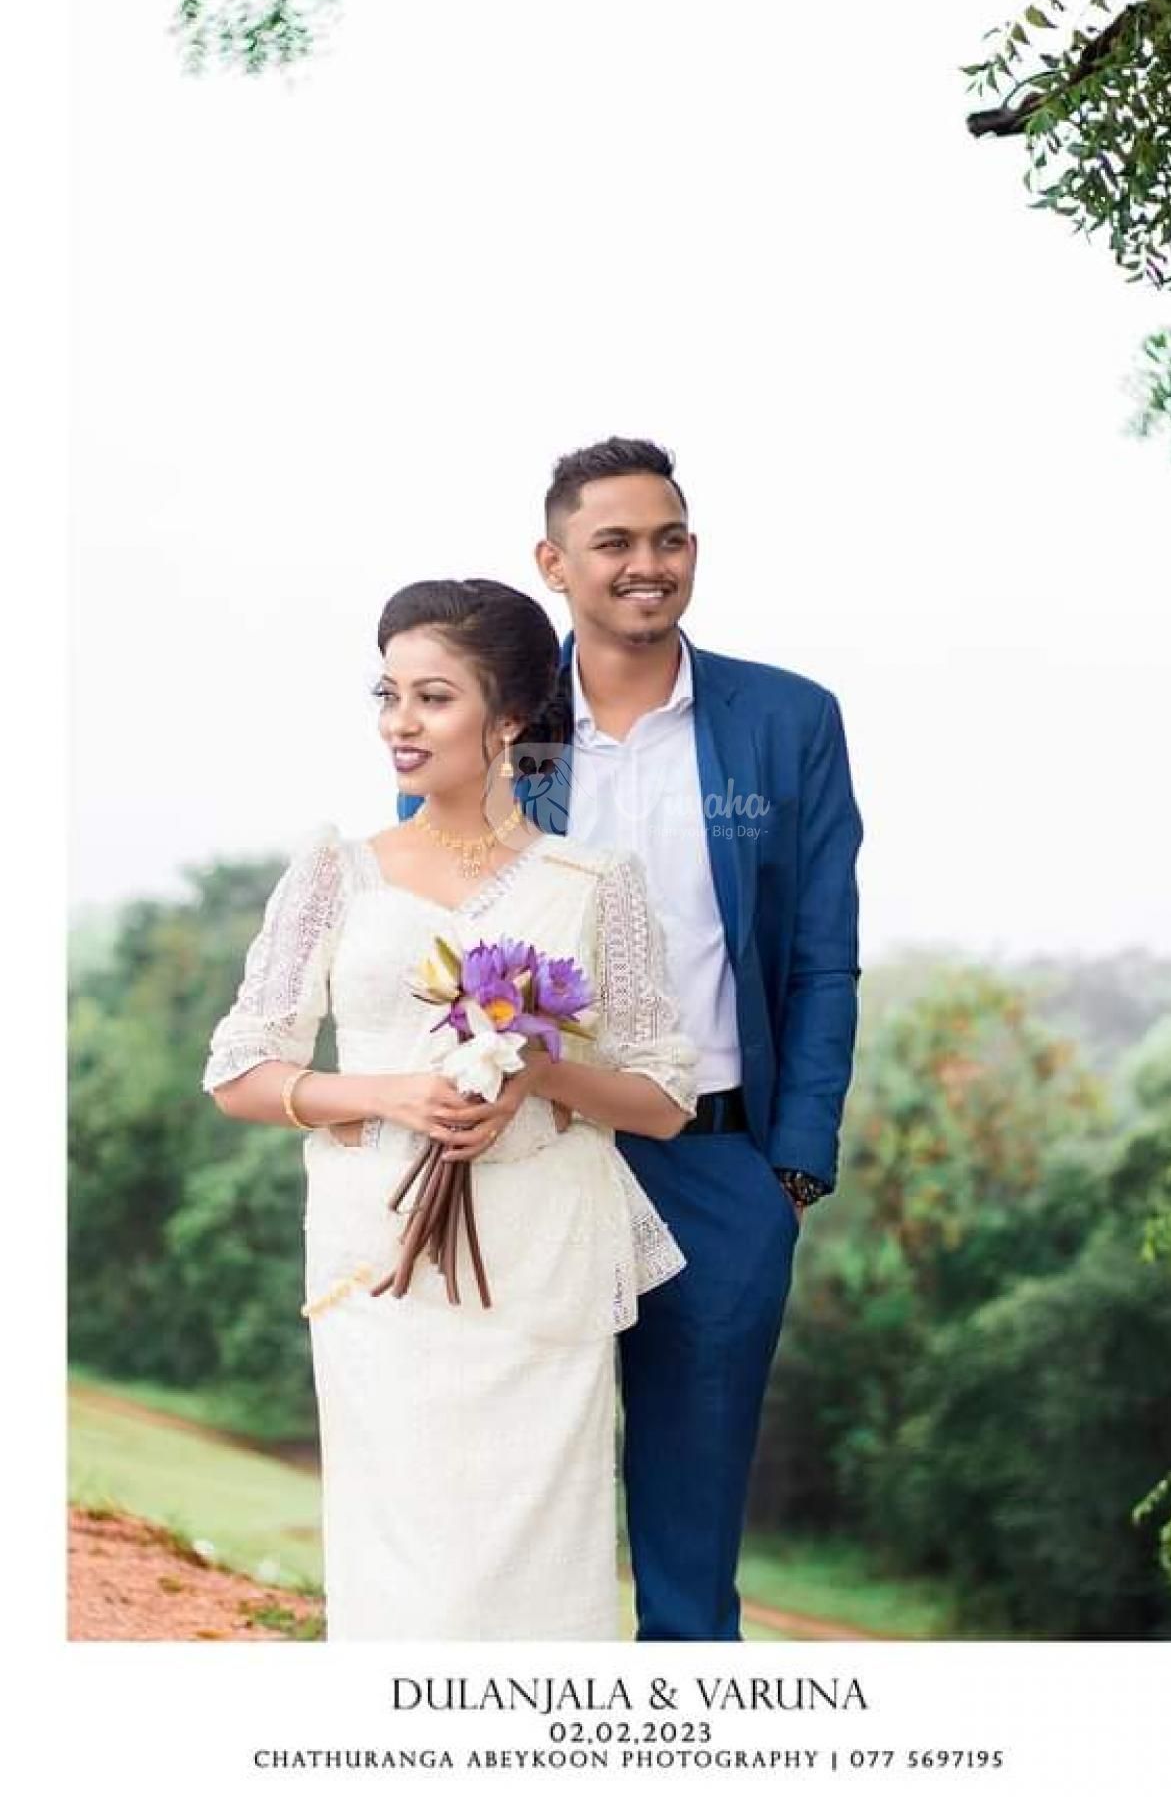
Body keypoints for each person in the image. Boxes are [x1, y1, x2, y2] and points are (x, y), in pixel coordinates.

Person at [402, 438, 863, 1640]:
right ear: (554, 562)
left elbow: (821, 955)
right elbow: (427, 926)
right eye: (613, 541)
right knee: (509, 1491)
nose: (646, 563)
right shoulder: (499, 723)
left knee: (692, 1540)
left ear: (692, 551)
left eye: (668, 538)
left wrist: (791, 1165)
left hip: (718, 1161)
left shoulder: (789, 721)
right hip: (528, 1151)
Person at [202, 578, 696, 1640]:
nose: (400, 722)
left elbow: (662, 1099)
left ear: (508, 718)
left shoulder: (595, 882)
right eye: (388, 694)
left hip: (542, 1265)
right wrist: (390, 1093)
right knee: (403, 1567)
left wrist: (537, 1073)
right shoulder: (338, 872)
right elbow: (241, 1070)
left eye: (433, 698)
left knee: (536, 1566)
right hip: (378, 1260)